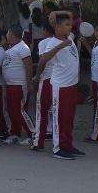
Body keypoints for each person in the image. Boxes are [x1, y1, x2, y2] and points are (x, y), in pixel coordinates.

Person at [41, 12, 84, 160]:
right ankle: (58, 148)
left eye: (69, 24)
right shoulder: (52, 42)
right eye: (66, 25)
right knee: (60, 117)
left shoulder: (70, 38)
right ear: (57, 27)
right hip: (61, 86)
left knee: (69, 117)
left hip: (71, 84)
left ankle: (68, 145)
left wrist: (64, 14)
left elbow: (69, 16)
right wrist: (60, 46)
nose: (70, 26)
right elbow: (45, 58)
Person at [0, 26, 34, 145]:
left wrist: (29, 83)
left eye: (8, 33)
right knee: (12, 110)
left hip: (19, 85)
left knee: (20, 110)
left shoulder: (23, 48)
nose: (6, 36)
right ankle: (15, 133)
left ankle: (32, 134)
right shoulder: (10, 48)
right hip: (10, 84)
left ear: (13, 34)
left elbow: (29, 66)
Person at [30, 23, 56, 151]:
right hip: (59, 80)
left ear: (45, 30)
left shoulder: (43, 43)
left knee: (42, 110)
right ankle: (55, 137)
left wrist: (37, 75)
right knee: (56, 110)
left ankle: (38, 141)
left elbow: (42, 60)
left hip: (46, 78)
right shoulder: (63, 41)